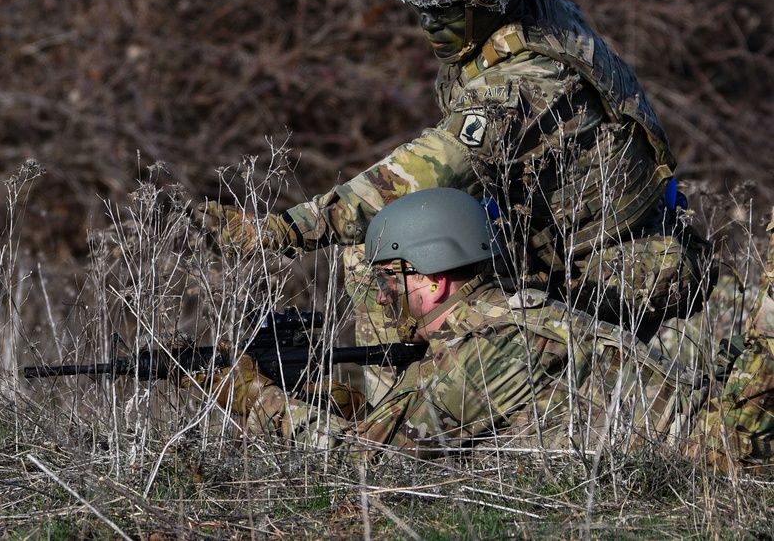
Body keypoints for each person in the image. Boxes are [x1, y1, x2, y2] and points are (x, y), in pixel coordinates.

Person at [201, 0, 714, 402]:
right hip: (578, 257)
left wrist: (288, 229)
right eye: (421, 12)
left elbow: (427, 170)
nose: (429, 27)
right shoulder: (534, 15)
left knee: (385, 256)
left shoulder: (527, 79)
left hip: (615, 278)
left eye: (444, 11)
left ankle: (402, 433)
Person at [198, 188, 774, 469]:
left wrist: (255, 398)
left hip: (725, 454)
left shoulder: (495, 346)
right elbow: (405, 422)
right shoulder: (493, 325)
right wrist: (317, 396)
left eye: (394, 280)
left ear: (435, 277)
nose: (386, 295)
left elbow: (374, 464)